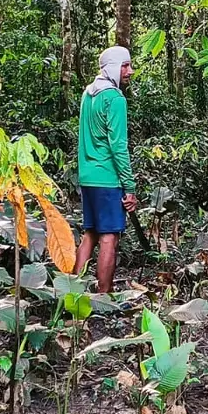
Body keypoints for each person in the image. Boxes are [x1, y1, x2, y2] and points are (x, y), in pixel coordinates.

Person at [75, 46, 138, 294]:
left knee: (90, 234)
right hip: (107, 178)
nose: (130, 71)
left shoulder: (88, 94)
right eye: (125, 66)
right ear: (112, 67)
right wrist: (129, 186)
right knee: (109, 237)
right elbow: (118, 146)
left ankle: (72, 292)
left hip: (87, 177)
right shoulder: (115, 99)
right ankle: (105, 296)